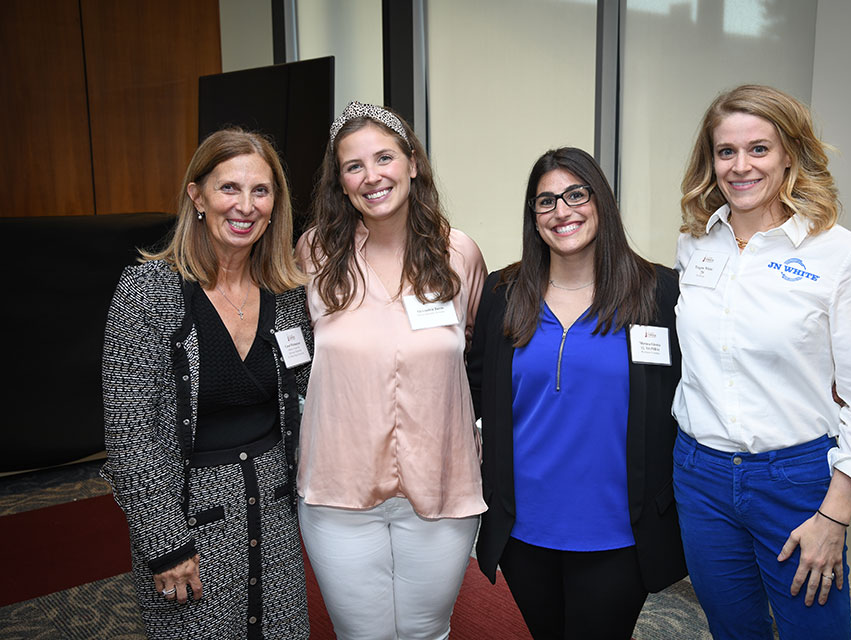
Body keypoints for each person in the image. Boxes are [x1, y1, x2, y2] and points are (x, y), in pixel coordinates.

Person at [672, 84, 851, 640]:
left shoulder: (843, 256)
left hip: (795, 483)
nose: (740, 166)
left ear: (790, 154)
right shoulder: (696, 244)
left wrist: (834, 516)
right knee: (732, 629)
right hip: (700, 474)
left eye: (759, 149)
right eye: (726, 152)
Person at [466, 147, 687, 639]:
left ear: (600, 201)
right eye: (545, 202)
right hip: (525, 528)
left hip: (618, 530)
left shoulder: (658, 293)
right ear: (534, 216)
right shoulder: (505, 293)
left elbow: (691, 393)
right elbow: (477, 388)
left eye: (575, 194)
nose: (562, 211)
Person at [102, 128, 313, 639]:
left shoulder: (286, 294)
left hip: (276, 516)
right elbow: (129, 432)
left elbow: (308, 398)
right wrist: (164, 541)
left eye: (261, 191)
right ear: (197, 196)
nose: (245, 206)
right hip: (189, 518)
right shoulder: (148, 292)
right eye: (229, 189)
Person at [296, 102, 487, 639]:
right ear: (340, 181)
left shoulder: (458, 254)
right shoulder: (314, 255)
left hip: (441, 490)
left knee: (428, 631)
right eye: (354, 166)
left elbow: (478, 358)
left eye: (384, 157)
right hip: (339, 491)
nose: (372, 175)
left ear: (412, 164)